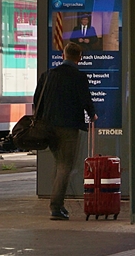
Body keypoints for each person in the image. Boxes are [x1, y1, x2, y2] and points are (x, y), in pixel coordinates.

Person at [34, 41, 96, 220]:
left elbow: (37, 99)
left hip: (49, 128)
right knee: (65, 166)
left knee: (59, 163)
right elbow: (86, 100)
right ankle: (55, 207)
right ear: (79, 58)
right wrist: (92, 115)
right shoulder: (79, 77)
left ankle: (58, 205)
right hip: (68, 128)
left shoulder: (47, 75)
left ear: (63, 55)